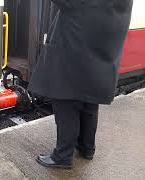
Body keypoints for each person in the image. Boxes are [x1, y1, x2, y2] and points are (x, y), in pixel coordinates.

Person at [28, 0, 133, 169]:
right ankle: (87, 148)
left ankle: (62, 156)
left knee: (66, 105)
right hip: (100, 60)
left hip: (73, 58)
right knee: (89, 105)